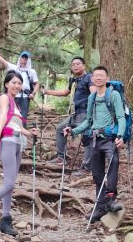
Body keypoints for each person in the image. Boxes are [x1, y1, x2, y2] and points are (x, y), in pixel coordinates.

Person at [0, 71, 39, 236]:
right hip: (8, 142)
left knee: (10, 183)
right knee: (9, 183)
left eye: (19, 83)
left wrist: (30, 133)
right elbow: (3, 116)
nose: (17, 86)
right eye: (14, 83)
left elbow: (18, 126)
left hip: (17, 142)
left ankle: (5, 218)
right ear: (6, 84)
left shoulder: (16, 104)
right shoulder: (4, 98)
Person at [63, 65, 125, 223]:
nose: (98, 78)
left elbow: (121, 117)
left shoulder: (114, 95)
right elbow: (88, 121)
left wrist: (120, 136)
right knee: (97, 174)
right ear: (92, 78)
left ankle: (110, 199)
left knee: (113, 164)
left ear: (107, 79)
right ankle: (100, 206)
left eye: (101, 75)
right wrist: (74, 131)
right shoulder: (91, 98)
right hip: (94, 140)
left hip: (110, 138)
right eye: (96, 75)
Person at [43, 56, 96, 176]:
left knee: (86, 138)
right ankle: (61, 158)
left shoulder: (89, 77)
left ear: (84, 66)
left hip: (84, 113)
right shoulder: (74, 80)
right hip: (74, 113)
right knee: (60, 129)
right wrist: (47, 92)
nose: (75, 66)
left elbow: (94, 92)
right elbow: (65, 92)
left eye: (78, 64)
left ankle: (87, 167)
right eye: (73, 64)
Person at [0, 45, 39, 121]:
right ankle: (11, 132)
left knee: (23, 117)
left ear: (28, 60)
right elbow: (2, 60)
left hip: (25, 97)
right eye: (23, 57)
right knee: (11, 115)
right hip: (13, 96)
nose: (24, 59)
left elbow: (37, 83)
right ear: (20, 58)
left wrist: (33, 93)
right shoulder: (14, 68)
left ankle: (22, 132)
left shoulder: (31, 71)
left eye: (26, 58)